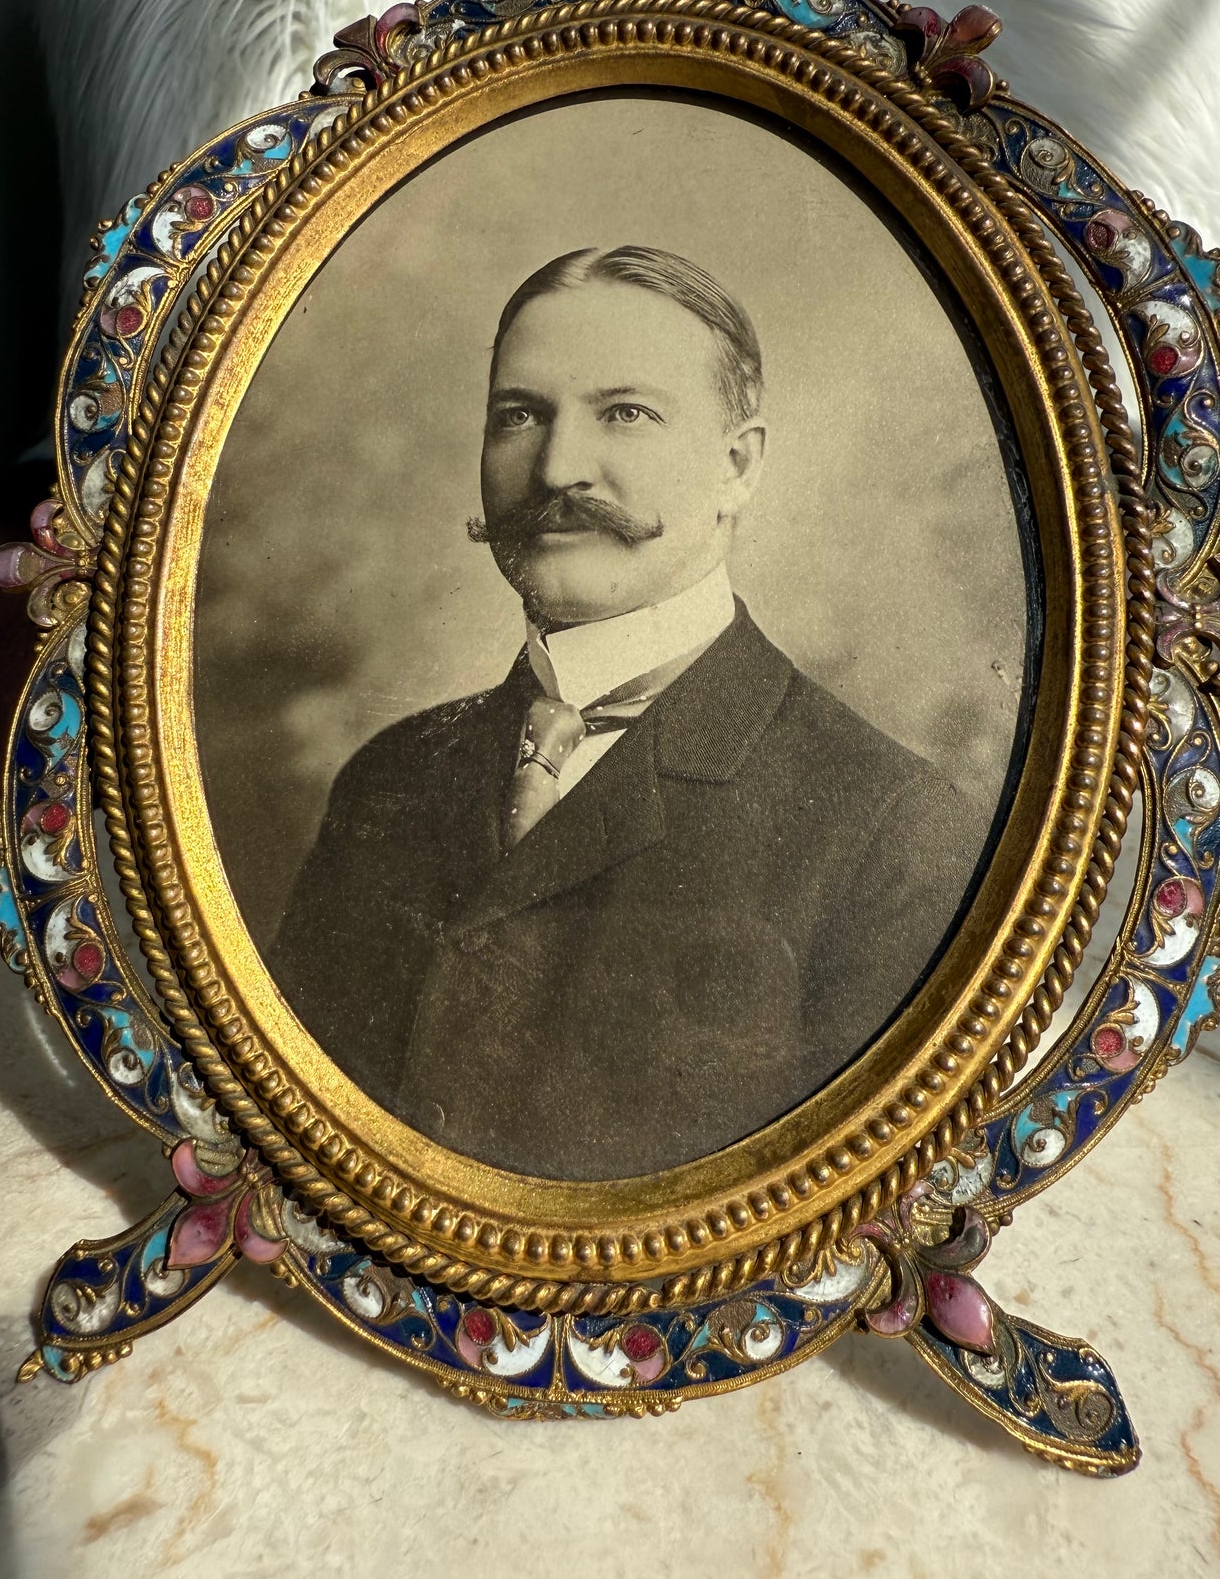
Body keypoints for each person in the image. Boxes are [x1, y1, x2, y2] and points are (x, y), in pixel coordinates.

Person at [271, 246, 980, 1180]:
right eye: (518, 415)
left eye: (626, 414)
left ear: (737, 465)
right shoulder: (390, 776)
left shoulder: (896, 833)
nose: (558, 465)